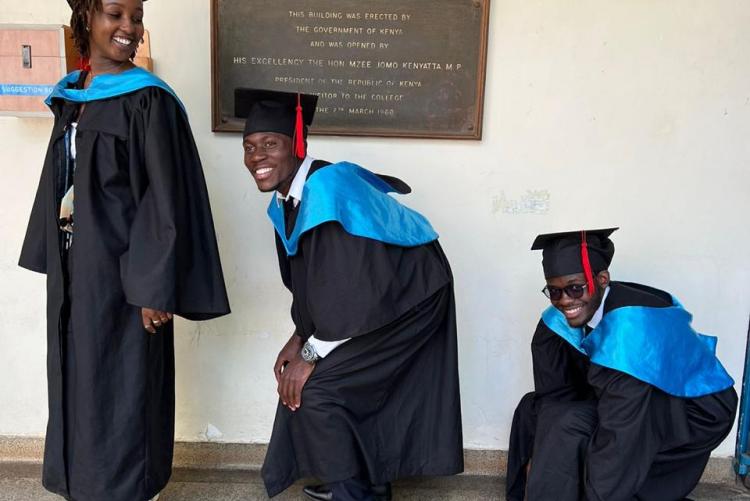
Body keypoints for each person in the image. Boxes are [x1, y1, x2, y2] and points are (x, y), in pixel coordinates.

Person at [18, 0, 230, 499]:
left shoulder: (147, 100)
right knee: (77, 375)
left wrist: (155, 287)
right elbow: (61, 180)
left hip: (126, 277)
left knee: (124, 383)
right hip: (78, 268)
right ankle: (82, 483)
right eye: (116, 14)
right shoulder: (77, 95)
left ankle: (128, 489)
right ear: (87, 18)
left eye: (135, 16)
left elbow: (165, 197)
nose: (129, 27)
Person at [237, 88, 463, 500]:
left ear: (297, 144)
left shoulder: (327, 189)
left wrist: (309, 357)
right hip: (375, 297)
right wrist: (299, 338)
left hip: (411, 300)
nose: (257, 157)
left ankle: (354, 492)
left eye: (270, 144)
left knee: (322, 388)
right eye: (249, 147)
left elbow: (351, 291)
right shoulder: (287, 200)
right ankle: (361, 477)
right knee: (328, 379)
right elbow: (314, 283)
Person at [506, 228, 737, 501]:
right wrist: (540, 452)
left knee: (578, 429)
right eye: (554, 291)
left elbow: (620, 433)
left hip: (691, 409)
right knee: (535, 409)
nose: (565, 300)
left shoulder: (629, 331)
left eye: (575, 288)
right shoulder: (561, 317)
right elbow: (554, 394)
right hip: (633, 395)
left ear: (602, 279)